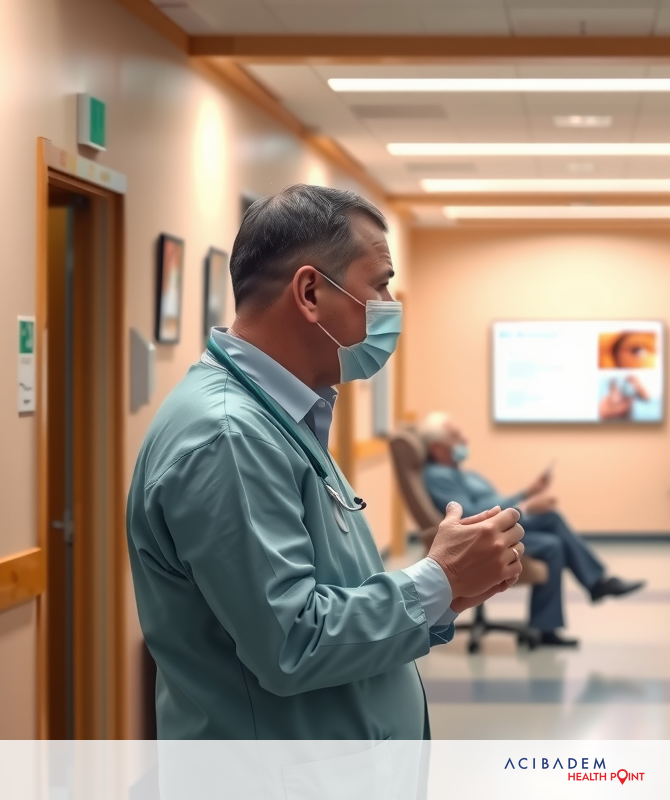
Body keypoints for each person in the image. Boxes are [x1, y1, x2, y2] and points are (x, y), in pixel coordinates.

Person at [126, 185, 527, 739]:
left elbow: (323, 598)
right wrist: (439, 578)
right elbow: (294, 641)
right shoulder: (229, 438)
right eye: (380, 284)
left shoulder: (281, 415)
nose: (390, 304)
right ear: (310, 292)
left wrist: (450, 590)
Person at [420, 412, 645, 647]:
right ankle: (595, 584)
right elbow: (471, 514)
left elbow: (495, 503)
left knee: (553, 539)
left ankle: (548, 626)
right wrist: (526, 507)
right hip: (481, 537)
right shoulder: (439, 476)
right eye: (455, 437)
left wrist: (528, 494)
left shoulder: (466, 475)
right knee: (552, 525)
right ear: (437, 449)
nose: (464, 440)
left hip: (498, 527)